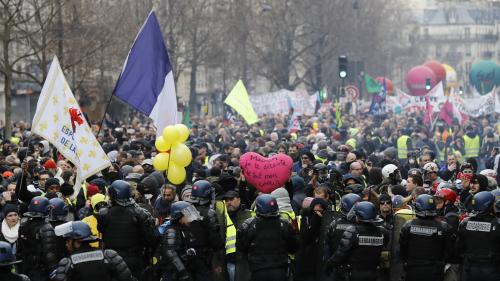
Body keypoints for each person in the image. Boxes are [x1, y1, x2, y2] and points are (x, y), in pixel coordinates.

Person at [97, 180, 158, 279]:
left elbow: (101, 229)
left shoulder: (104, 213)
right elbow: (151, 238)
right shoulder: (140, 213)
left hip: (113, 258)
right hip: (131, 258)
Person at [236, 194, 298, 281]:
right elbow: (293, 247)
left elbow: (241, 247)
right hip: (279, 268)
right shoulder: (285, 224)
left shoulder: (249, 225)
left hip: (258, 269)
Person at [51, 221, 136, 281]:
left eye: (68, 241)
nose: (66, 244)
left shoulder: (68, 263)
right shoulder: (109, 256)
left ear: (77, 241)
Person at [325, 201, 389, 281]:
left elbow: (341, 254)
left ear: (358, 216)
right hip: (374, 274)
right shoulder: (383, 232)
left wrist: (330, 264)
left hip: (354, 274)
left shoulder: (352, 231)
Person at [399, 194, 454, 281]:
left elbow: (402, 249)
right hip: (434, 271)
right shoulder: (444, 227)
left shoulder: (408, 226)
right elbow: (450, 251)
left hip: (413, 270)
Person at [160, 201, 217, 281]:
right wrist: (183, 272)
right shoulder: (172, 231)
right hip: (173, 274)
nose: (191, 218)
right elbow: (171, 253)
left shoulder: (183, 229)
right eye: (188, 215)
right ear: (179, 216)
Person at [458, 191, 500, 281]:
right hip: (491, 268)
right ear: (488, 206)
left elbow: (459, 247)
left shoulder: (465, 223)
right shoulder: (497, 224)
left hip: (469, 268)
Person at [17, 196, 58, 281]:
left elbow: (19, 249)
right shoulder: (46, 227)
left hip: (26, 268)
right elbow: (49, 255)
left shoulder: (23, 225)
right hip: (41, 271)